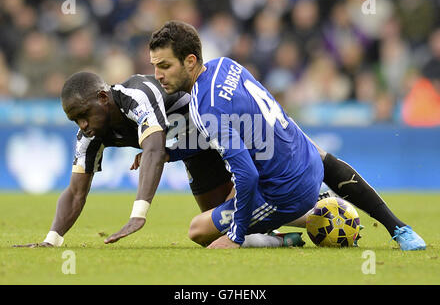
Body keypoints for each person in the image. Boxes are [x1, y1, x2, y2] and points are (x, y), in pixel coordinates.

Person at [148, 20, 426, 250]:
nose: (158, 75)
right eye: (155, 66)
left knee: (199, 230)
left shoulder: (204, 106)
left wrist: (236, 235)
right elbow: (230, 130)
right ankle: (399, 228)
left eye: (165, 66)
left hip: (283, 191)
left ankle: (279, 237)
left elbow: (247, 175)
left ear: (190, 60)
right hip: (303, 154)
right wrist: (172, 154)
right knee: (302, 160)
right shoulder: (225, 65)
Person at [13, 71, 304, 248]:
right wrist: (52, 239)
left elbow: (154, 150)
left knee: (267, 193)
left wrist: (138, 215)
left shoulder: (136, 94)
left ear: (103, 97)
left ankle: (320, 209)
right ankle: (283, 239)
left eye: (83, 115)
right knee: (213, 233)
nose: (82, 126)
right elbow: (76, 192)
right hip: (195, 152)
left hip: (222, 130)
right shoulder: (90, 136)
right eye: (74, 120)